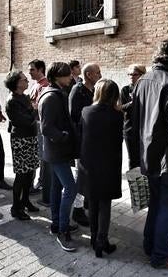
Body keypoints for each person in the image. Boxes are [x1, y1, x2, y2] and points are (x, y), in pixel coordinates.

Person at [128, 39, 168, 269]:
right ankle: (160, 255)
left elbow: (131, 125)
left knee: (157, 204)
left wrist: (135, 158)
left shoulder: (143, 81)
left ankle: (150, 246)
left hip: (149, 157)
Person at [78, 79, 123, 258]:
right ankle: (101, 241)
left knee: (93, 202)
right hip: (108, 164)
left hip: (88, 163)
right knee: (105, 204)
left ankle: (93, 237)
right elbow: (118, 140)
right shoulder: (116, 115)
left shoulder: (86, 111)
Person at [38, 62, 79, 252]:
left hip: (57, 151)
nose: (70, 77)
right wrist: (64, 136)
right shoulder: (51, 97)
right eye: (67, 75)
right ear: (56, 77)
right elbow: (46, 127)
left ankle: (56, 223)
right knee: (70, 188)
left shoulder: (55, 93)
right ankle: (63, 231)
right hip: (57, 151)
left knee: (57, 188)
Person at [69, 63, 102, 227]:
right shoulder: (78, 90)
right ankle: (77, 209)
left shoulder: (93, 90)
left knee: (89, 175)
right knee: (79, 176)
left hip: (92, 141)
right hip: (82, 142)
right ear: (89, 74)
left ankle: (87, 201)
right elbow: (74, 118)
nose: (100, 75)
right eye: (98, 72)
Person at [5, 70, 40, 220]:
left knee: (30, 172)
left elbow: (31, 116)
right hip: (21, 139)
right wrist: (34, 109)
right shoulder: (12, 100)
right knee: (21, 174)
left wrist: (33, 110)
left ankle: (25, 200)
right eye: (25, 80)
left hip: (31, 137)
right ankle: (16, 207)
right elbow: (24, 121)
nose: (27, 81)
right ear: (17, 83)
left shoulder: (24, 97)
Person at [27, 59, 51, 205]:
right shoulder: (36, 84)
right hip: (34, 124)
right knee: (38, 153)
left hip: (40, 124)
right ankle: (40, 180)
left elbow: (39, 106)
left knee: (42, 154)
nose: (29, 72)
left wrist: (30, 105)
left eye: (32, 70)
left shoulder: (46, 85)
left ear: (40, 69)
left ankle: (43, 181)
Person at [120, 64, 146, 168]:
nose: (131, 77)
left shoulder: (147, 89)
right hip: (130, 128)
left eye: (134, 74)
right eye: (129, 74)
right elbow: (121, 106)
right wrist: (133, 102)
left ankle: (146, 183)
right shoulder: (125, 90)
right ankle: (135, 184)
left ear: (142, 75)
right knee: (133, 159)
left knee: (144, 158)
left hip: (144, 128)